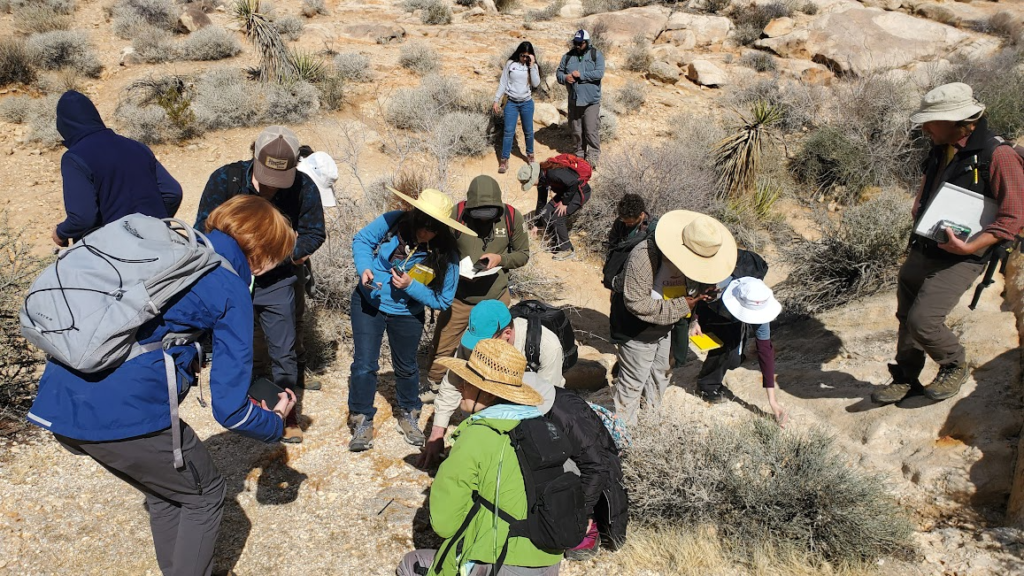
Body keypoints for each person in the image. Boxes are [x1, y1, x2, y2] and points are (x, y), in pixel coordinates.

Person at [27, 195, 298, 576]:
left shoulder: (173, 251)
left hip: (61, 399)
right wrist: (274, 423)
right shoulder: (228, 286)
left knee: (166, 491)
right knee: (205, 495)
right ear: (264, 252)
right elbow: (230, 410)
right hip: (124, 412)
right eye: (277, 256)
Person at [872, 83, 1024, 405]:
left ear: (959, 121)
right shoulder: (943, 145)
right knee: (906, 313)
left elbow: (1012, 217)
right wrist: (920, 203)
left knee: (922, 320)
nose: (925, 128)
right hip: (927, 244)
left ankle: (954, 363)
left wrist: (970, 247)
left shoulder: (999, 155)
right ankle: (906, 377)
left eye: (932, 121)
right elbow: (932, 180)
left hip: (963, 257)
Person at [194, 126, 326, 443]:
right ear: (254, 156)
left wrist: (281, 256)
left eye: (280, 180)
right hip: (230, 280)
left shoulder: (304, 188)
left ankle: (289, 416)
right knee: (237, 347)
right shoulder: (224, 180)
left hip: (278, 281)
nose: (271, 186)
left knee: (285, 350)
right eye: (266, 175)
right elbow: (202, 227)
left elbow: (314, 233)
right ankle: (248, 408)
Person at [396, 339, 561, 576]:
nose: (461, 386)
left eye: (469, 382)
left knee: (410, 564)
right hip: (549, 559)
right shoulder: (543, 427)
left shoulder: (476, 435)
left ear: (490, 392)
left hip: (501, 562)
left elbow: (444, 524)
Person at [348, 187, 471, 452]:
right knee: (364, 364)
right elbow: (362, 241)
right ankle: (361, 417)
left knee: (405, 367)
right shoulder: (394, 221)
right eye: (421, 223)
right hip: (369, 303)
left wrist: (410, 286)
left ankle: (408, 412)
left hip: (407, 313)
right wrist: (364, 268)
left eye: (432, 228)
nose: (424, 232)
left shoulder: (447, 255)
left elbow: (443, 300)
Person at [610, 211, 737, 425]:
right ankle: (623, 434)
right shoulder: (645, 255)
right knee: (633, 382)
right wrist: (682, 305)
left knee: (661, 373)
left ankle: (650, 419)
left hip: (668, 325)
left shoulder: (693, 260)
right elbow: (636, 303)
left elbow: (689, 288)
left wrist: (704, 293)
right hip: (636, 330)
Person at [418, 299, 563, 469]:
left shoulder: (546, 346)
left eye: (484, 342)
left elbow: (546, 402)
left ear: (507, 333)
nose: (478, 348)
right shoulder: (476, 340)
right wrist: (437, 435)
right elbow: (452, 384)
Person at [424, 175, 531, 400]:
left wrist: (499, 259)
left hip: (495, 297)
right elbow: (438, 247)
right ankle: (434, 385)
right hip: (459, 296)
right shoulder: (456, 214)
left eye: (489, 214)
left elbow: (522, 255)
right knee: (445, 342)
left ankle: (487, 388)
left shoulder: (512, 217)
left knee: (494, 346)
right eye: (478, 214)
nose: (483, 219)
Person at [52, 90, 182, 247]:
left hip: (115, 253)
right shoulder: (136, 146)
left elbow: (82, 217)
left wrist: (61, 233)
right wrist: (151, 223)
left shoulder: (74, 158)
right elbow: (173, 192)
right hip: (160, 244)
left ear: (63, 125)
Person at [690, 275, 787, 426]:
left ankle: (733, 354)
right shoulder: (717, 287)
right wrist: (694, 320)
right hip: (711, 311)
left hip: (732, 318)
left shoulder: (759, 303)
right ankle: (707, 385)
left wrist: (772, 400)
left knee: (734, 360)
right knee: (725, 348)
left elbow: (765, 352)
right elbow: (695, 295)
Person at [547, 388, 628, 561]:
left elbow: (596, 466)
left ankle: (589, 524)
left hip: (585, 472)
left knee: (565, 465)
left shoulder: (566, 414)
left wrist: (582, 513)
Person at [556, 29, 604, 168]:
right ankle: (579, 157)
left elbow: (599, 73)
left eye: (580, 43)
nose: (577, 46)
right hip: (574, 100)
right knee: (577, 131)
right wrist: (565, 77)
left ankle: (593, 159)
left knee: (590, 131)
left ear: (587, 43)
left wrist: (580, 75)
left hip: (591, 101)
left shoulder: (596, 55)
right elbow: (559, 72)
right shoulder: (567, 57)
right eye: (575, 43)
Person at [528, 159, 591, 261]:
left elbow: (574, 182)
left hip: (579, 192)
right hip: (567, 192)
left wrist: (565, 203)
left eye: (530, 182)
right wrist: (537, 224)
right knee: (546, 213)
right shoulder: (542, 180)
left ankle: (567, 249)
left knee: (558, 217)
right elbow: (541, 201)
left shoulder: (553, 173)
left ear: (534, 176)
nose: (532, 185)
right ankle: (557, 244)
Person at [493, 41, 541, 174]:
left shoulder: (533, 66)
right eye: (522, 55)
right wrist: (496, 99)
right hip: (511, 103)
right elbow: (503, 82)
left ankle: (530, 155)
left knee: (528, 131)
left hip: (526, 103)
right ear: (518, 53)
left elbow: (536, 83)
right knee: (508, 131)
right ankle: (504, 159)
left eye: (527, 56)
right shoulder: (510, 64)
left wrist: (532, 65)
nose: (524, 58)